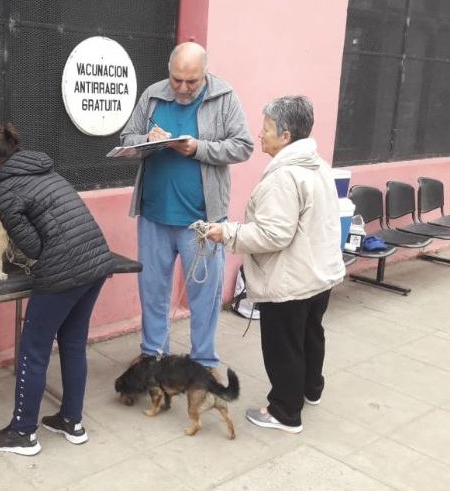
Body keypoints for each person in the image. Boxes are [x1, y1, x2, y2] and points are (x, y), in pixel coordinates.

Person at [0, 123, 115, 456]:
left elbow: (33, 246)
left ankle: (22, 432)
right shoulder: (45, 169)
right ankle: (71, 422)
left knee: (33, 351)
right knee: (73, 343)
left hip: (62, 272)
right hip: (96, 262)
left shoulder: (4, 191)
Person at [204, 95, 345, 433]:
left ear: (286, 136)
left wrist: (227, 233)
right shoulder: (318, 166)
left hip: (290, 281)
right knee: (311, 336)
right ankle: (311, 390)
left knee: (284, 347)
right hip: (318, 275)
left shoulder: (285, 177)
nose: (259, 135)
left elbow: (272, 235)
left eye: (266, 129)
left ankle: (284, 411)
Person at [120, 42, 253, 369]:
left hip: (202, 221)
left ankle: (203, 362)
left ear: (204, 74)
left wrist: (198, 148)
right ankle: (154, 355)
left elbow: (243, 146)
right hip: (154, 215)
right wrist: (146, 141)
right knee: (152, 291)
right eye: (176, 79)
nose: (181, 87)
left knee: (204, 296)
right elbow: (127, 139)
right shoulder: (153, 95)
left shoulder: (224, 98)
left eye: (190, 82)